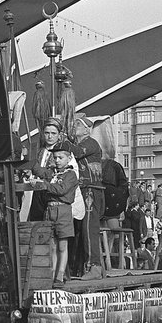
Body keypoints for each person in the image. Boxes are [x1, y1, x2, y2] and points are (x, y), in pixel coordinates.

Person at [30, 147, 78, 284]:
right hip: (49, 210)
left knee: (62, 245)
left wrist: (44, 184)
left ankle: (60, 275)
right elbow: (38, 170)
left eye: (60, 158)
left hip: (63, 211)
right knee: (52, 246)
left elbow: (61, 189)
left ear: (69, 159)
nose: (57, 160)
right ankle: (51, 275)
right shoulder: (51, 172)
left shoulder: (70, 175)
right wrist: (28, 159)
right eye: (55, 157)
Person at [68, 115, 105, 280]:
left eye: (78, 124)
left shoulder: (90, 143)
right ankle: (81, 266)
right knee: (80, 229)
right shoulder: (80, 144)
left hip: (90, 190)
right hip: (82, 190)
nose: (74, 126)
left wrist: (62, 142)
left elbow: (76, 153)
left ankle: (94, 267)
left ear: (86, 130)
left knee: (89, 228)